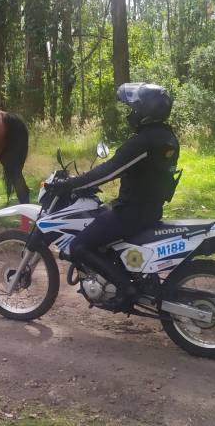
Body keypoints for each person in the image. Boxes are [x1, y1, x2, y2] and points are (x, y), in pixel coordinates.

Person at [51, 82, 180, 311]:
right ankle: (124, 281)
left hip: (131, 213)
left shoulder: (143, 142)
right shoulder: (167, 136)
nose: (131, 114)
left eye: (134, 109)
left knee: (79, 246)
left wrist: (71, 184)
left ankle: (127, 290)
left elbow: (109, 170)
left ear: (145, 111)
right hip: (150, 209)